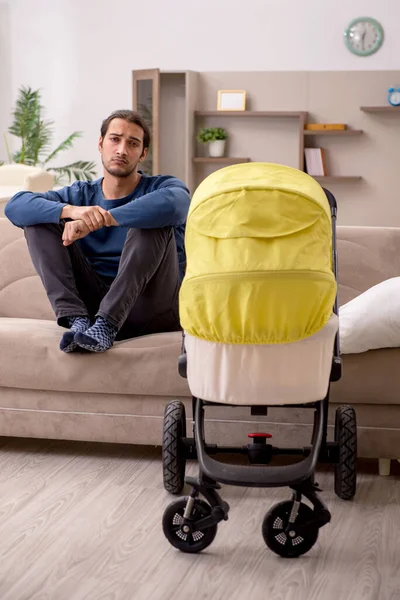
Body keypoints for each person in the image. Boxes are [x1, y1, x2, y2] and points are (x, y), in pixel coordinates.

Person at [5, 109, 191, 353]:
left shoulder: (162, 187)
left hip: (151, 307)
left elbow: (176, 203)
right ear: (101, 144)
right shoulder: (79, 195)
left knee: (151, 221)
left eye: (132, 143)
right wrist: (72, 211)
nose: (121, 150)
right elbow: (15, 206)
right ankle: (76, 319)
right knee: (40, 219)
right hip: (92, 309)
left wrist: (104, 219)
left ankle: (107, 324)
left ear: (143, 153)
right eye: (115, 139)